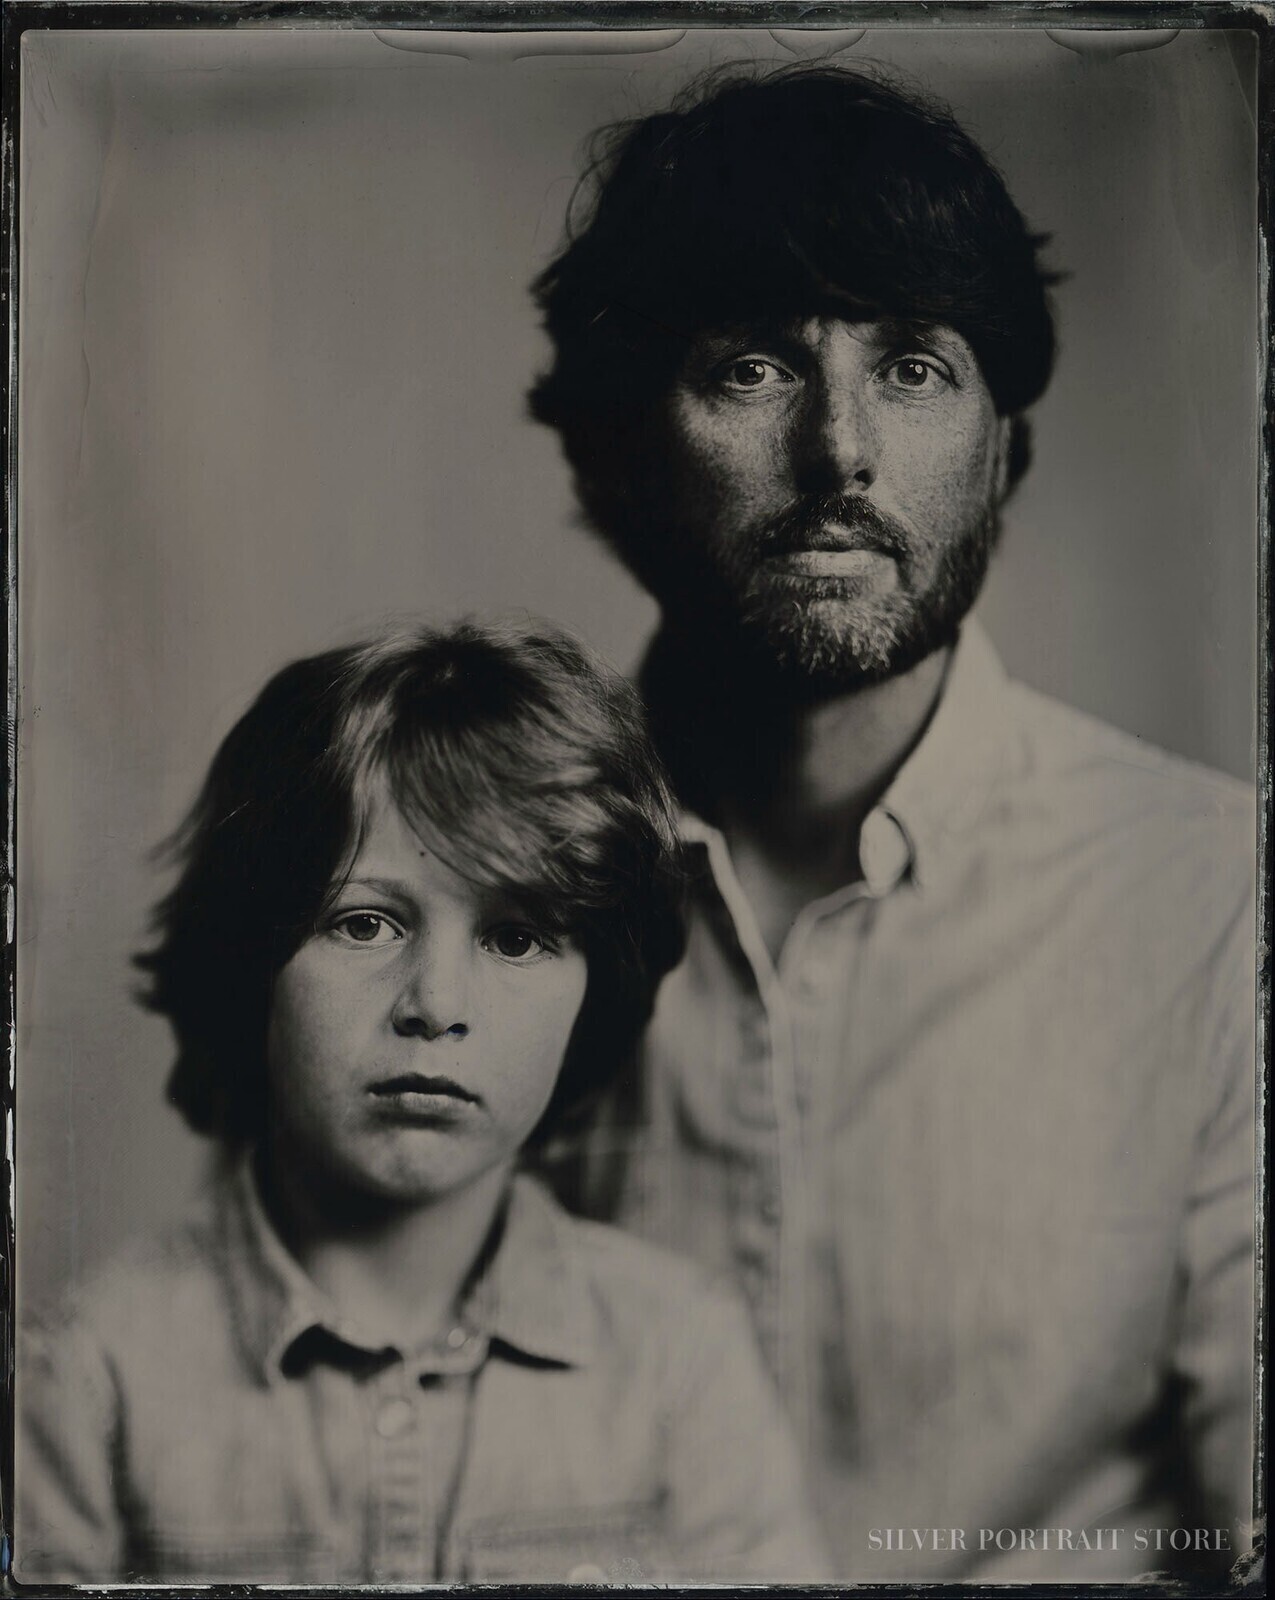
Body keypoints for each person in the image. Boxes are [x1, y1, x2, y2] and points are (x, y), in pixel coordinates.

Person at [528, 64, 1257, 1582]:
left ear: (1006, 454)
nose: (840, 451)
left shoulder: (1213, 902)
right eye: (749, 368)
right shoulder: (461, 875)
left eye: (915, 366)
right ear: (610, 457)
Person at [16, 618, 831, 1586]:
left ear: (594, 994)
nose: (436, 1006)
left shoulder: (678, 1362)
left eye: (517, 938)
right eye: (363, 923)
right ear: (251, 959)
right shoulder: (92, 1379)